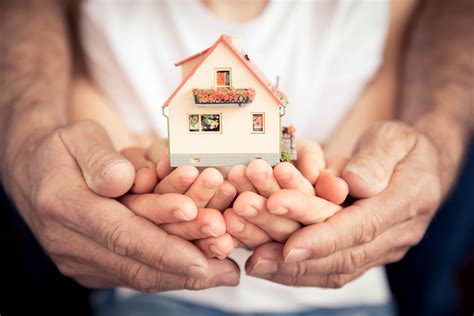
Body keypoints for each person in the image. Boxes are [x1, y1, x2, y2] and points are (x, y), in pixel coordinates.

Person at [0, 0, 472, 315]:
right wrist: (137, 178)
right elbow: (115, 151)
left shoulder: (369, 13)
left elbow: (351, 160)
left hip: (344, 296)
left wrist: (335, 179)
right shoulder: (103, 17)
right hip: (162, 293)